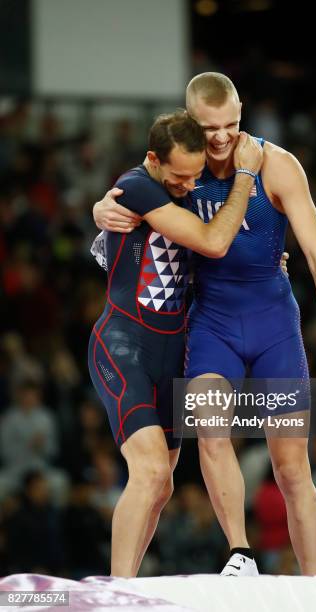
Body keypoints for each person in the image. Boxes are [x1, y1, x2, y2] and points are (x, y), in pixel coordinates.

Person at [93, 73, 316, 577]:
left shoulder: (277, 165)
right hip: (211, 323)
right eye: (209, 127)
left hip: (274, 325)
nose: (220, 138)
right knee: (211, 432)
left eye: (231, 125)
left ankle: (313, 585)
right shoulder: (179, 168)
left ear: (243, 113)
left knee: (291, 468)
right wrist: (102, 207)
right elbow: (129, 194)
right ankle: (240, 554)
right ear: (190, 120)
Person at [88, 109, 263, 577]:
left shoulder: (187, 187)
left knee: (161, 486)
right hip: (124, 345)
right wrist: (245, 176)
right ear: (153, 159)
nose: (188, 185)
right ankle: (118, 591)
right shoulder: (141, 184)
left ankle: (126, 583)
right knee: (146, 472)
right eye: (180, 176)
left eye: (195, 175)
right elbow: (212, 241)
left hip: (173, 354)